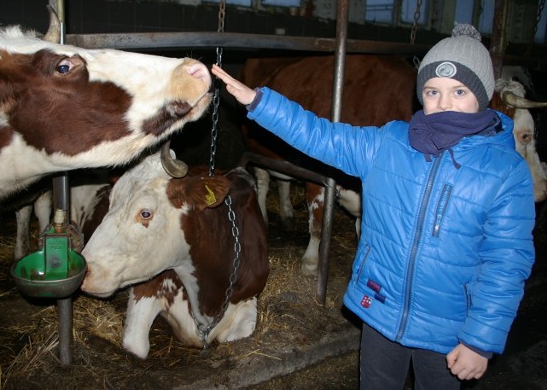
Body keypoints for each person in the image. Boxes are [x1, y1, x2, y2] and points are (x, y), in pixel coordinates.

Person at [211, 24, 535, 389]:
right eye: (432, 91)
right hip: (380, 311)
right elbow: (321, 136)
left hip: (450, 327)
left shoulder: (506, 173)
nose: (444, 104)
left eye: (459, 91)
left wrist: (479, 340)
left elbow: (507, 263)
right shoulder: (390, 143)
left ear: (483, 95)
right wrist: (260, 103)